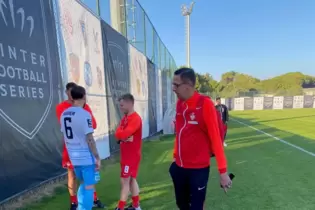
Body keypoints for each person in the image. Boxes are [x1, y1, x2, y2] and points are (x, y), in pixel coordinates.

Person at [170, 67, 232, 210]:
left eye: (176, 85)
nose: (173, 88)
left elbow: (216, 139)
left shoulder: (205, 104)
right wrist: (175, 157)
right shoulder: (180, 103)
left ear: (188, 86)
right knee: (182, 205)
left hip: (198, 169)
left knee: (197, 206)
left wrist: (223, 172)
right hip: (179, 167)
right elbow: (179, 133)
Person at [56, 82, 105, 210]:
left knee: (83, 184)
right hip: (85, 156)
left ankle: (79, 206)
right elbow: (90, 138)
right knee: (88, 186)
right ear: (84, 96)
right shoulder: (84, 114)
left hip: (73, 156)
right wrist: (97, 157)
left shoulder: (64, 114)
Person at [114, 93, 142, 210]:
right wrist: (122, 135)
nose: (121, 108)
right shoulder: (125, 118)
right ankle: (136, 205)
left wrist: (122, 134)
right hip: (126, 155)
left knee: (125, 181)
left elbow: (123, 133)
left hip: (131, 156)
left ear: (130, 103)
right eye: (120, 105)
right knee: (131, 180)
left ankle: (120, 207)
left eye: (122, 105)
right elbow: (117, 134)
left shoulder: (135, 118)